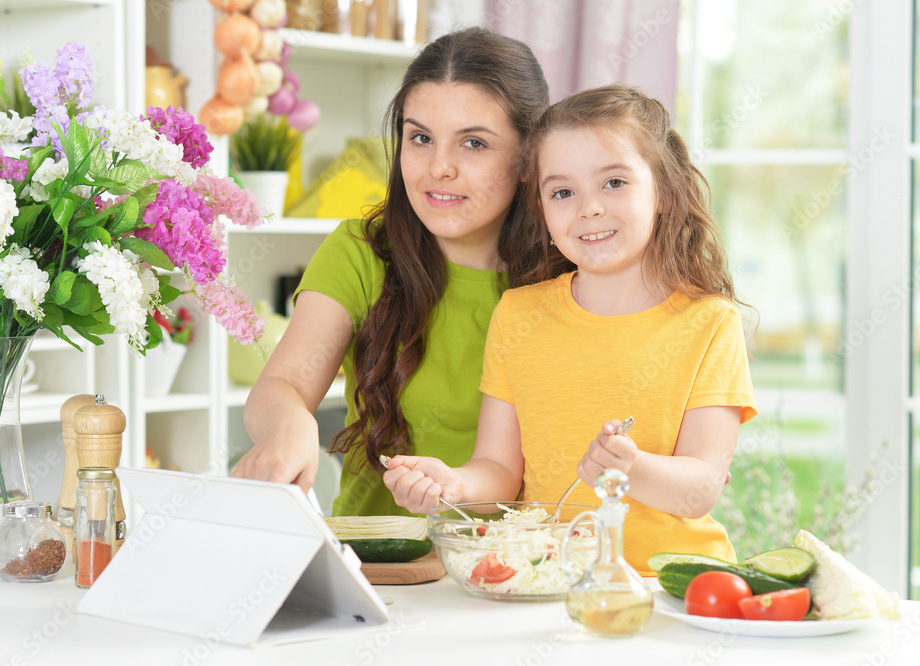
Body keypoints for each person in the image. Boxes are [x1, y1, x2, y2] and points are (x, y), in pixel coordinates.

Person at [383, 84, 758, 574]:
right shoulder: (518, 314)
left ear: (663, 190)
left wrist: (630, 468)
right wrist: (452, 485)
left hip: (673, 588)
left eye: (614, 183)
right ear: (542, 209)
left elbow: (700, 490)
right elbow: (499, 470)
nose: (589, 208)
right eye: (563, 192)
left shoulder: (710, 322)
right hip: (551, 582)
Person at [235, 27, 555, 517]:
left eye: (473, 143)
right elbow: (283, 387)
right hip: (378, 567)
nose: (438, 168)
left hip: (523, 570)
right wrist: (291, 424)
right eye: (420, 137)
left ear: (530, 157)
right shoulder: (362, 253)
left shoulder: (569, 271)